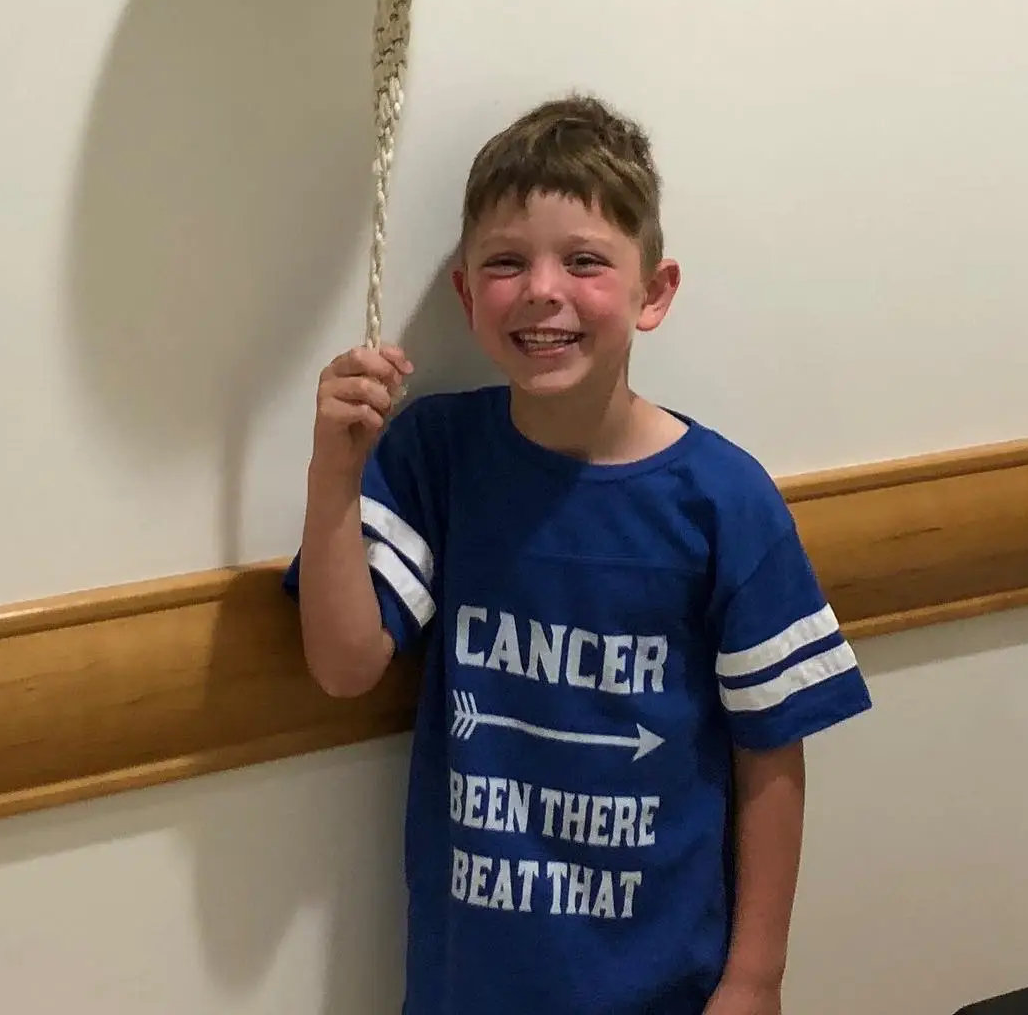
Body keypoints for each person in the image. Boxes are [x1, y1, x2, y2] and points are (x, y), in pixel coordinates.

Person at [284, 94, 871, 1015]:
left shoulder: (724, 500)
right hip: (467, 984)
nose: (543, 290)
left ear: (655, 292)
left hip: (662, 985)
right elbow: (346, 665)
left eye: (586, 261)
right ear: (468, 295)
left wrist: (757, 976)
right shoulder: (439, 456)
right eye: (508, 263)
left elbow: (773, 754)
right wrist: (334, 475)